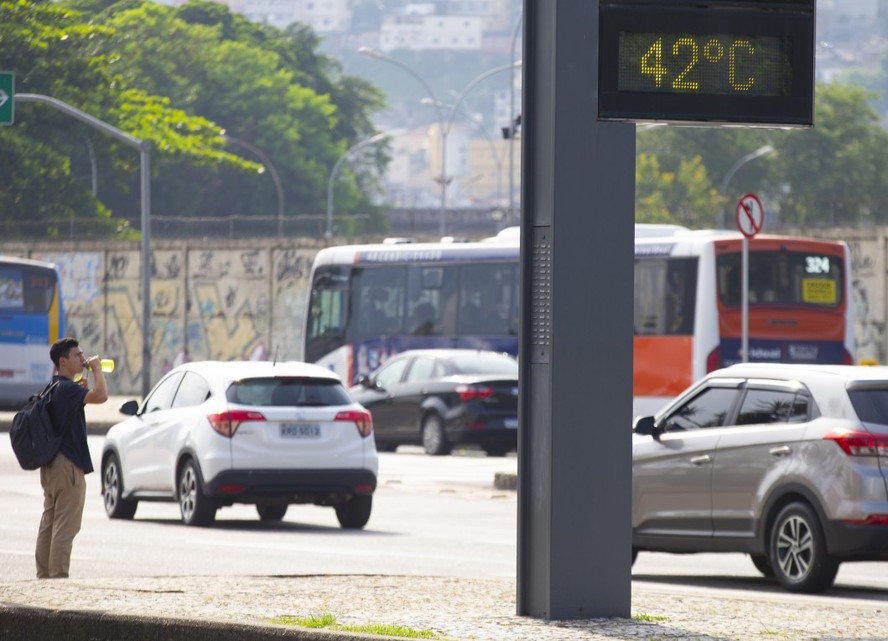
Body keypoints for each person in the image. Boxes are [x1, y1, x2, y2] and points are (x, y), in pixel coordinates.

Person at [35, 337, 108, 579]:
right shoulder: (67, 389)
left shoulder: (55, 387)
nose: (83, 357)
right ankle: (57, 577)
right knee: (65, 526)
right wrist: (98, 370)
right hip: (67, 467)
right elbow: (101, 396)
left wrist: (81, 390)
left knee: (50, 522)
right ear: (63, 361)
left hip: (52, 465)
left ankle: (44, 575)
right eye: (77, 354)